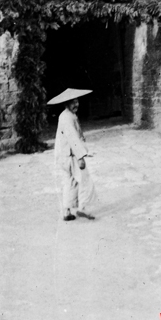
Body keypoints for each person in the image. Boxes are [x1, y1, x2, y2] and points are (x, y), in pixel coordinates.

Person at [48, 88, 97, 222]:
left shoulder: (68, 115)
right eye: (73, 102)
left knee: (70, 182)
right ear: (66, 104)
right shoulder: (67, 118)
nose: (76, 105)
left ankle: (67, 211)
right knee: (85, 180)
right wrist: (80, 157)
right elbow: (73, 138)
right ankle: (83, 207)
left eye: (77, 101)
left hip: (64, 156)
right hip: (69, 156)